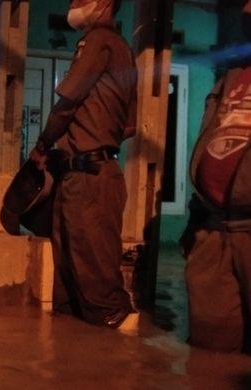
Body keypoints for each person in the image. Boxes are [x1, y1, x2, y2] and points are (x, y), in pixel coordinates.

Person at [27, 0, 138, 330]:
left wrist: (43, 144)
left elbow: (67, 103)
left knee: (97, 288)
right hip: (90, 172)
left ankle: (109, 362)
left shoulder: (97, 40)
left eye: (80, 0)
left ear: (103, 4)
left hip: (88, 176)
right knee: (74, 282)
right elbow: (129, 126)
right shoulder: (123, 50)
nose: (73, 5)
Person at [179, 0, 251, 354]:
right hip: (212, 229)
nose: (248, 9)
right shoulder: (233, 76)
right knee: (208, 356)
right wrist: (195, 224)